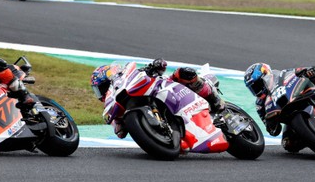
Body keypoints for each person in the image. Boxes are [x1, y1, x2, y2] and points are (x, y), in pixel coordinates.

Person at [90, 59, 225, 139]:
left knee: (183, 73)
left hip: (165, 87)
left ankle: (213, 98)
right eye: (99, 90)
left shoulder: (130, 78)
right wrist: (120, 123)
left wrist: (156, 65)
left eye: (102, 87)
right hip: (160, 130)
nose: (102, 92)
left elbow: (160, 67)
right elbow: (120, 133)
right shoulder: (112, 107)